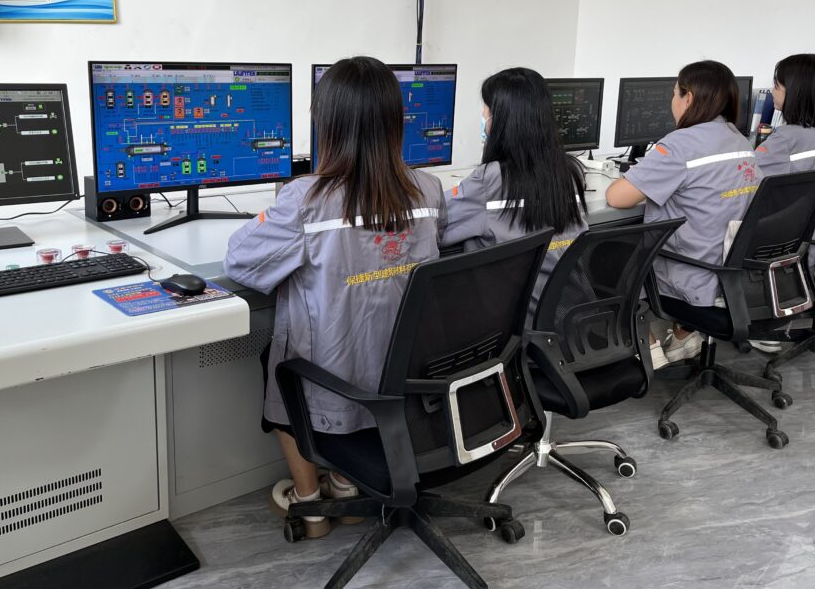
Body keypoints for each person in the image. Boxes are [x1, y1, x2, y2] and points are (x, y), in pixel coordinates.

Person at [225, 56, 447, 538]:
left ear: (325, 123)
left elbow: (240, 262)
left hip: (333, 382)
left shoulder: (305, 199)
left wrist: (268, 220)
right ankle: (347, 490)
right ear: (396, 120)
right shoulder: (429, 190)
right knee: (364, 338)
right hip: (403, 381)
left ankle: (309, 505)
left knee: (278, 362)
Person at [606, 60, 761, 367]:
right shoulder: (740, 140)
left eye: (674, 93)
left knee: (606, 257)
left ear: (688, 98)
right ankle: (683, 337)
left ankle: (648, 346)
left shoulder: (680, 145)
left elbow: (617, 197)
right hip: (734, 278)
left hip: (693, 276)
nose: (672, 101)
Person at [441, 67, 588, 320]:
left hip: (516, 320)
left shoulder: (488, 180)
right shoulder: (570, 172)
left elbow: (437, 220)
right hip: (569, 315)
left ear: (502, 120)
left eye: (486, 109)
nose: (483, 115)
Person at [755, 54, 815, 271]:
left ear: (795, 92)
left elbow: (741, 177)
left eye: (777, 85)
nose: (772, 91)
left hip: (800, 254)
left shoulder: (785, 139)